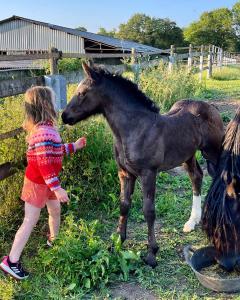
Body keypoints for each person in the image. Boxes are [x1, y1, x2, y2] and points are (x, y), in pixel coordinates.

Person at [0, 86, 86, 280]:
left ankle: (54, 241)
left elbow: (55, 150)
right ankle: (11, 261)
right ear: (46, 105)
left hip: (47, 182)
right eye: (53, 102)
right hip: (38, 183)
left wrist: (74, 146)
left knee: (55, 211)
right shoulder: (43, 133)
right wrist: (57, 189)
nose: (56, 105)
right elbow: (45, 164)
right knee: (30, 220)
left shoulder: (46, 130)